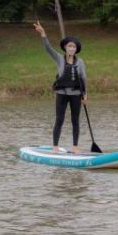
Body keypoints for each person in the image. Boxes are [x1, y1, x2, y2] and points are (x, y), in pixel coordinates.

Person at [33, 21, 87, 154]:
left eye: (74, 47)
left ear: (76, 49)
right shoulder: (59, 59)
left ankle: (75, 147)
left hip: (76, 94)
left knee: (75, 120)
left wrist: (85, 95)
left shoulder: (80, 62)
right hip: (61, 94)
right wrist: (43, 33)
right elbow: (48, 48)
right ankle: (55, 147)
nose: (72, 49)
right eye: (69, 46)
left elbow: (83, 78)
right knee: (59, 119)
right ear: (65, 48)